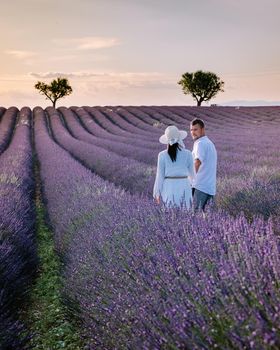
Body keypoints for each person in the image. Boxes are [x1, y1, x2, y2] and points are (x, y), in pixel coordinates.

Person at [153, 125, 194, 208]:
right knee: (186, 215)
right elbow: (193, 175)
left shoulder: (162, 155)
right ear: (179, 138)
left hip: (169, 187)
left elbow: (159, 176)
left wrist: (157, 193)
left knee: (170, 214)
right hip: (184, 185)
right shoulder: (188, 153)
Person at [190, 118, 217, 210]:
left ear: (203, 129)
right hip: (210, 188)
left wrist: (189, 180)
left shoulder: (200, 143)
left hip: (199, 186)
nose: (193, 132)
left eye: (195, 129)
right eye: (191, 130)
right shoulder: (210, 143)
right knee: (208, 219)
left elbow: (197, 162)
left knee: (194, 216)